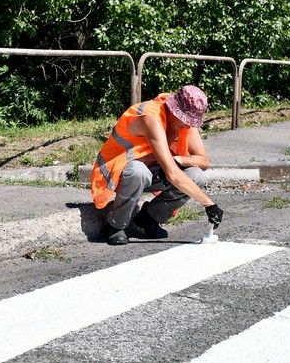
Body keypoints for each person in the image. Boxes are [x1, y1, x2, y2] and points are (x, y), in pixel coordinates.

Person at [91, 84, 224, 245]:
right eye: (186, 120)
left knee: (196, 176)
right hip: (117, 171)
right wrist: (209, 204)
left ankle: (148, 218)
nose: (189, 126)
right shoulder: (150, 117)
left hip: (151, 170)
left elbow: (203, 161)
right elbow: (172, 174)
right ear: (175, 110)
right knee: (139, 172)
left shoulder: (182, 122)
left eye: (191, 122)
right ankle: (116, 225)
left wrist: (178, 160)